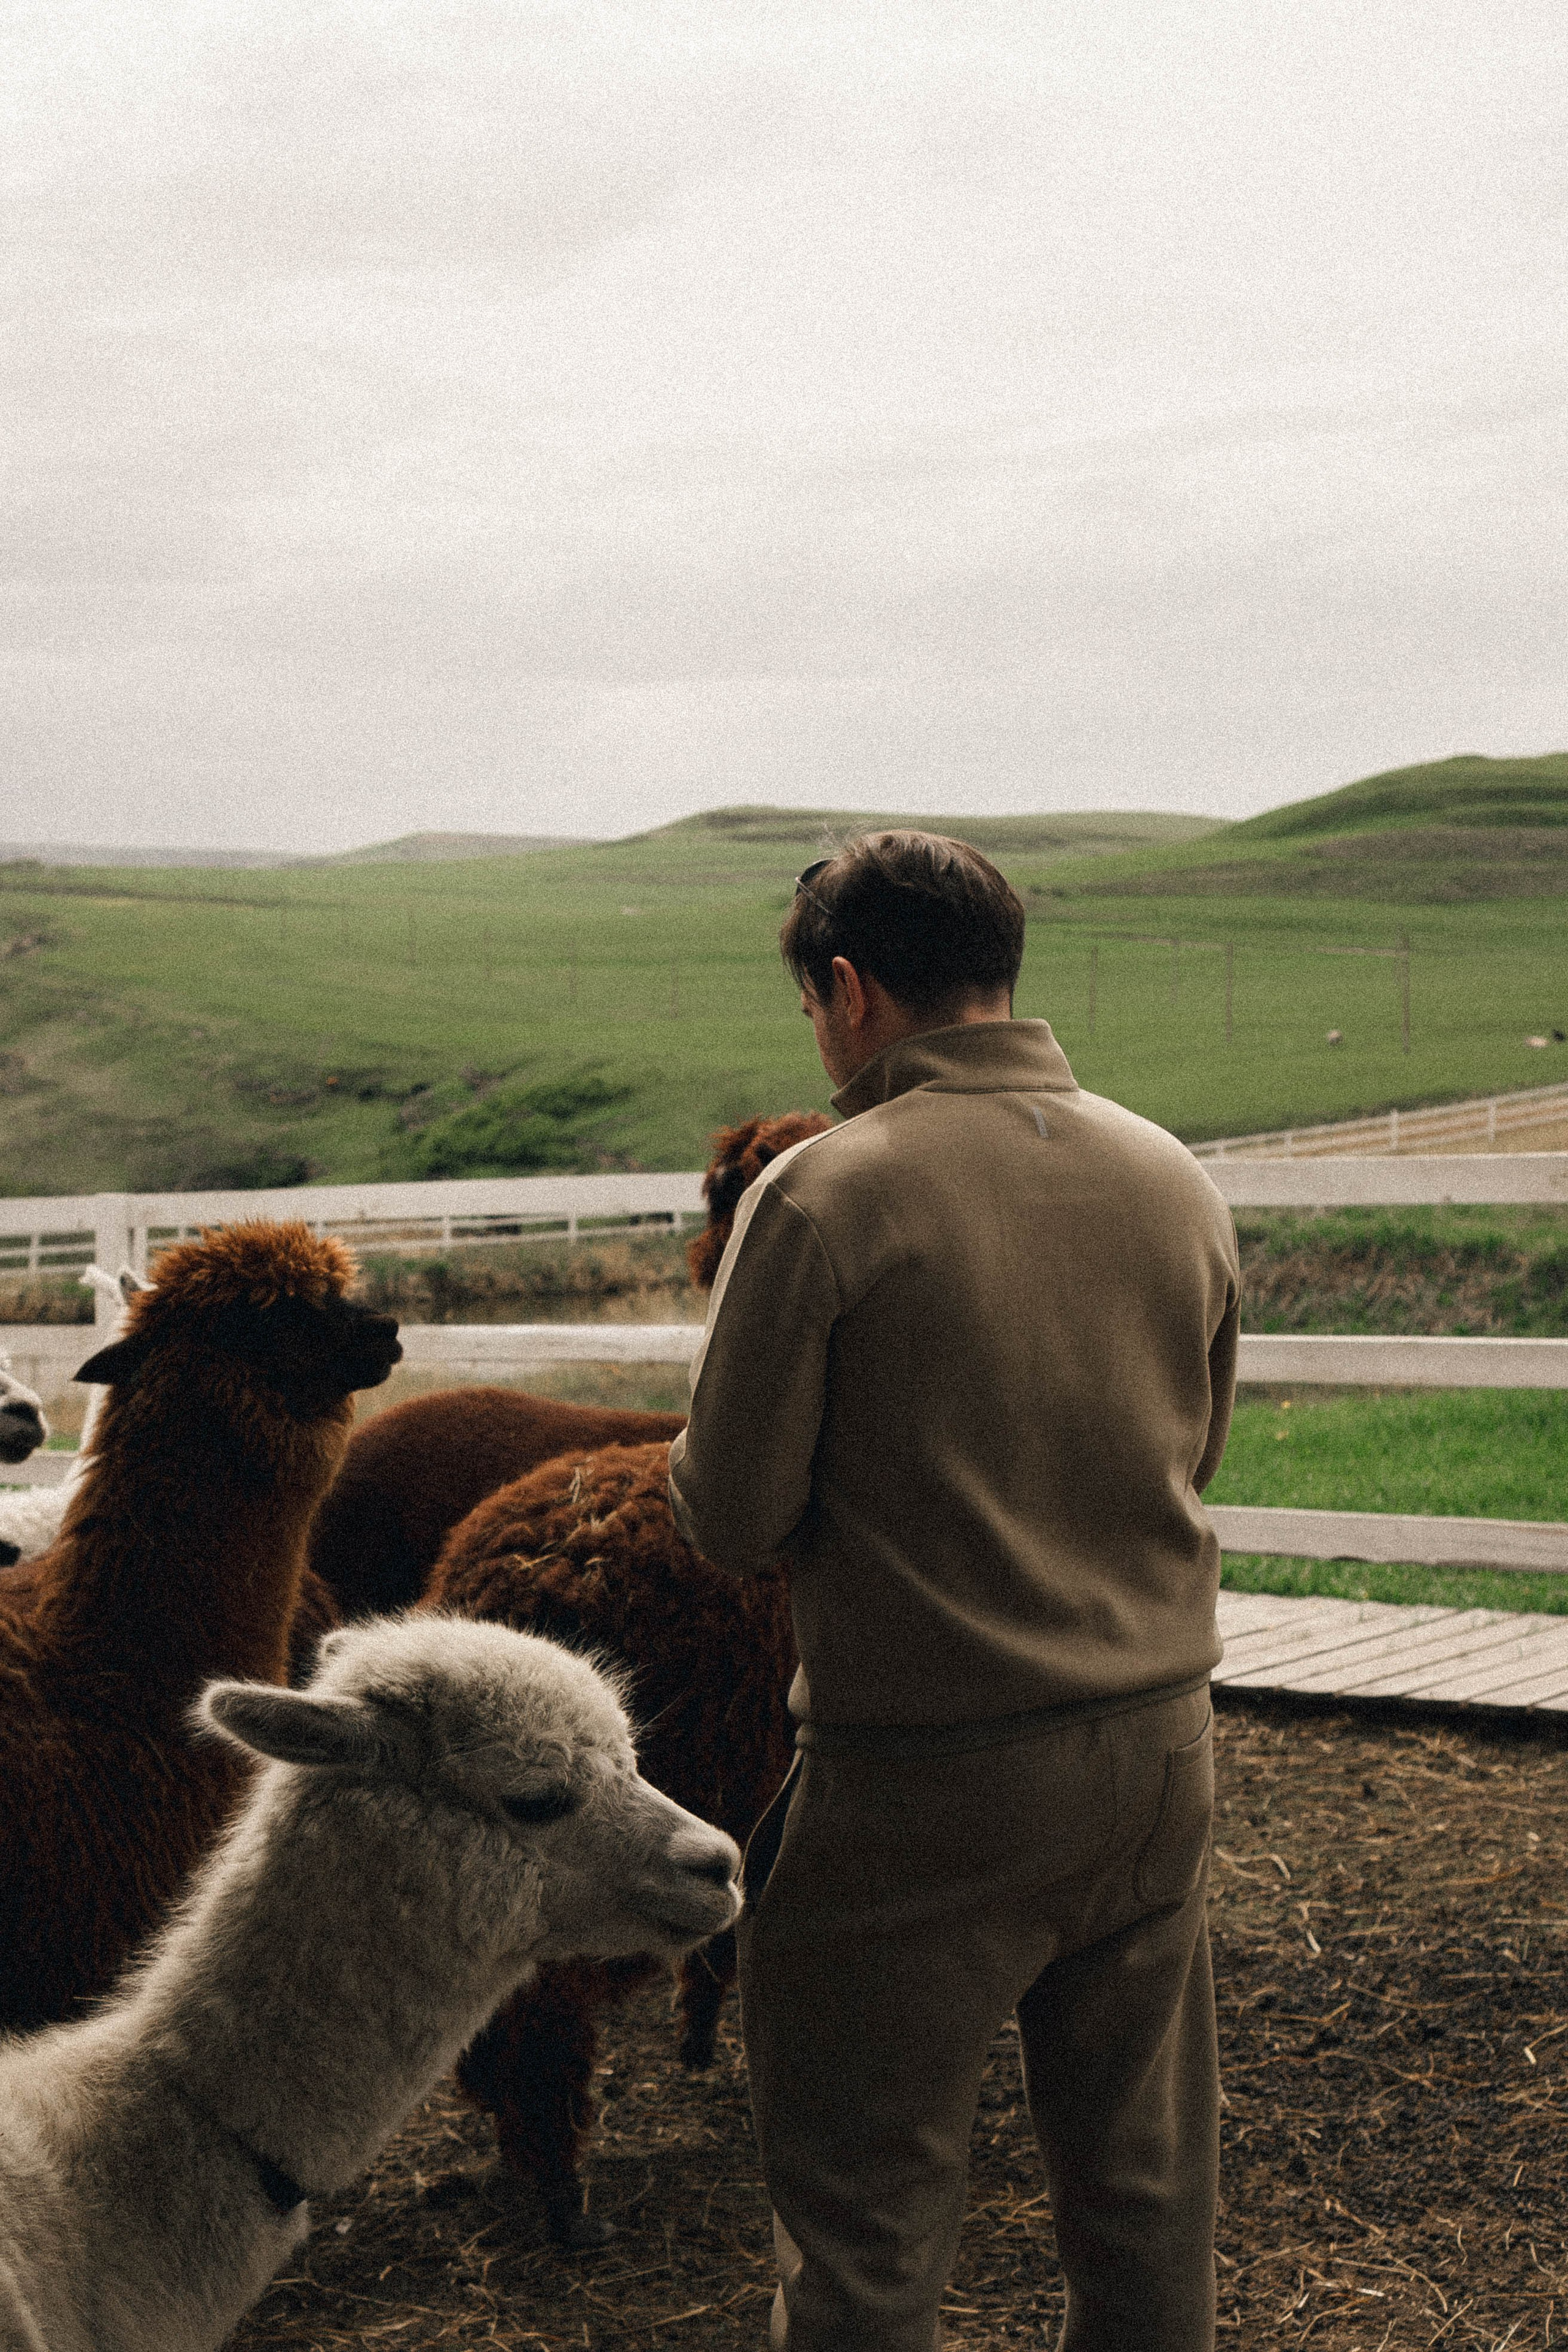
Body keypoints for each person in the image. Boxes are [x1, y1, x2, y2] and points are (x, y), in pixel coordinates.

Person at [668, 830, 1240, 2352]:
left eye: (809, 1002)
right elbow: (1196, 1447)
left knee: (864, 2222)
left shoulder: (823, 1197)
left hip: (923, 1780)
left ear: (847, 988)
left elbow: (729, 1517)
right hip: (1158, 1751)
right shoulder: (1167, 1173)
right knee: (1144, 2191)